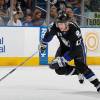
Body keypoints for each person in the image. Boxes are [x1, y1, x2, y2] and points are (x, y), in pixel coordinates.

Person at [39, 14, 100, 92]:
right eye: (58, 24)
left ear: (67, 23)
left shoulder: (74, 30)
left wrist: (64, 59)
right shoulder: (55, 26)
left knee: (82, 68)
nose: (59, 26)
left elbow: (75, 49)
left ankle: (98, 85)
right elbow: (49, 35)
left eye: (61, 24)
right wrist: (44, 43)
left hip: (77, 49)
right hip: (64, 48)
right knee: (58, 69)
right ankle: (77, 72)